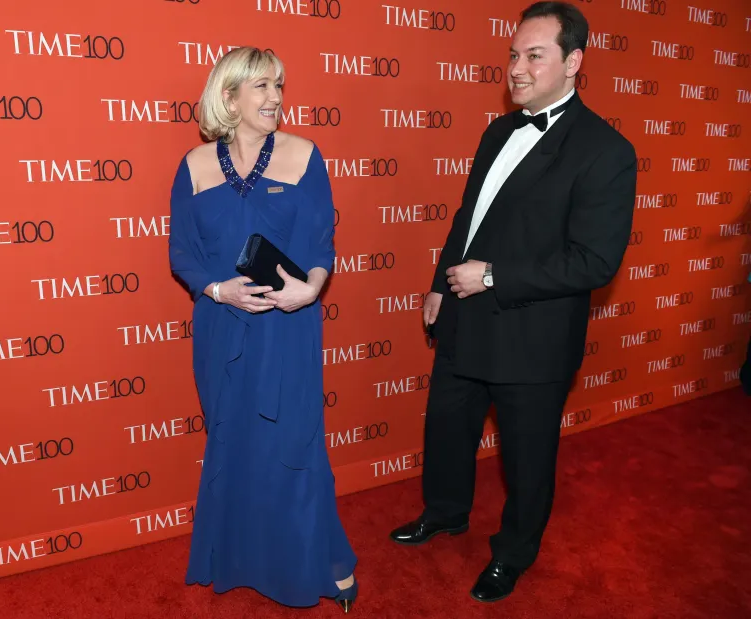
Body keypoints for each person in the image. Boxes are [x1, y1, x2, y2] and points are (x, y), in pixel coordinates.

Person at [389, 1, 637, 603]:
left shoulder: (606, 150)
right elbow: (468, 219)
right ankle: (445, 511)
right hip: (464, 313)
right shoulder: (499, 128)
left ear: (574, 61)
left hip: (533, 335)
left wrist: (494, 276)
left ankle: (514, 552)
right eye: (512, 55)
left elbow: (594, 261)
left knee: (527, 457)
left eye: (534, 56)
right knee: (447, 427)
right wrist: (436, 284)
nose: (517, 68)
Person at [168, 47, 358, 612]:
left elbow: (322, 243)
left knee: (295, 443)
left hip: (288, 326)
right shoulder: (195, 166)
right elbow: (183, 253)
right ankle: (238, 559)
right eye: (260, 87)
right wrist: (217, 289)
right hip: (221, 329)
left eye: (278, 84)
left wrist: (314, 287)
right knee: (233, 442)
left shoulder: (304, 156)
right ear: (228, 97)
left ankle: (323, 560)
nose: (275, 97)